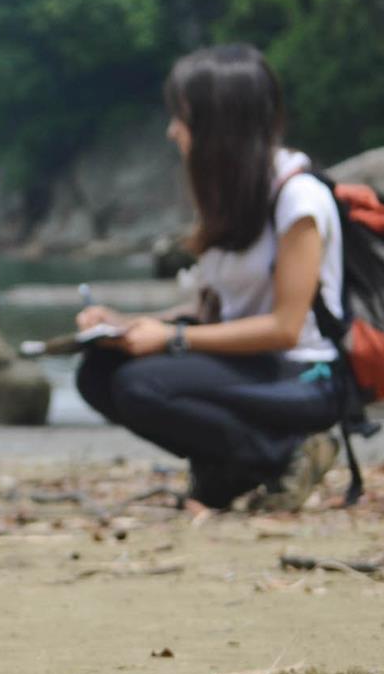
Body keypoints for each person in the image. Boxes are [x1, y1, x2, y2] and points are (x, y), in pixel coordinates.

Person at [75, 44, 346, 511]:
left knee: (141, 386)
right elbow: (214, 313)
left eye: (182, 117)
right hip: (253, 364)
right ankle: (229, 463)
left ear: (217, 125)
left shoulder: (298, 199)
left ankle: (284, 453)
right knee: (99, 372)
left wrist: (173, 339)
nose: (172, 131)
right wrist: (130, 324)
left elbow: (285, 328)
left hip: (305, 373)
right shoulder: (234, 196)